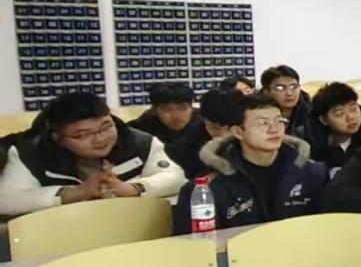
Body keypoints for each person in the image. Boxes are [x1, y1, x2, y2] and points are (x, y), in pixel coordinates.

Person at [0, 91, 186, 217]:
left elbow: (175, 177)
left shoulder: (138, 142)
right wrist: (73, 193)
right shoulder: (30, 153)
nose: (100, 139)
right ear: (57, 136)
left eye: (106, 127)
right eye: (83, 135)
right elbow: (7, 200)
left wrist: (133, 189)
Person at [172, 94, 326, 233]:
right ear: (238, 132)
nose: (274, 129)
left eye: (279, 121)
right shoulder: (207, 188)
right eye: (262, 123)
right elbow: (193, 245)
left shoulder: (314, 173)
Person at [304, 82, 361, 172]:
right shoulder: (309, 145)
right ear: (323, 120)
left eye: (353, 109)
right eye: (339, 114)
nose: (351, 117)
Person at [166, 88, 242, 178]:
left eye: (230, 128)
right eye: (216, 128)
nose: (225, 134)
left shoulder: (248, 134)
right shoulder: (182, 148)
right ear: (204, 118)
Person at [130, 82, 197, 145]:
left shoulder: (201, 123)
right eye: (167, 110)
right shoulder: (138, 130)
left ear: (191, 108)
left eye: (183, 108)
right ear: (154, 111)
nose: (177, 116)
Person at [261, 65, 310, 136]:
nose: (289, 93)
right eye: (280, 88)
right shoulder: (254, 115)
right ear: (266, 91)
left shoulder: (311, 114)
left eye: (294, 87)